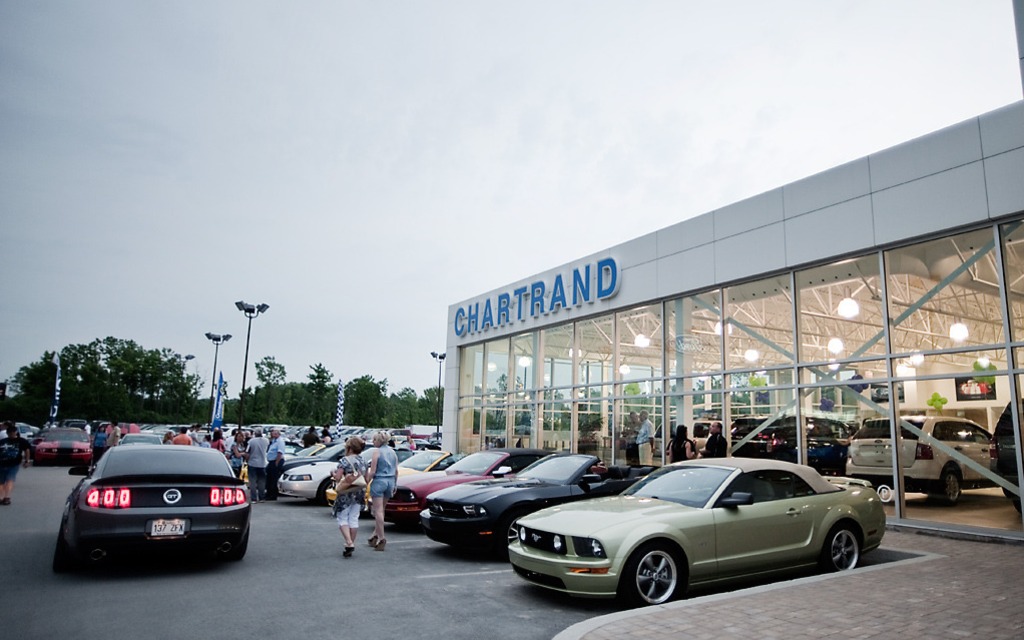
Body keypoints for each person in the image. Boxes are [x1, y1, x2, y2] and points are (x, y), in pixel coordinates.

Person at [330, 436, 367, 558]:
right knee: (354, 518)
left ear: (349, 448)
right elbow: (366, 478)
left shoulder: (344, 461)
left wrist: (333, 473)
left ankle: (349, 542)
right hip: (359, 491)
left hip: (346, 492)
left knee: (342, 518)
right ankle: (350, 542)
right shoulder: (363, 461)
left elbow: (338, 478)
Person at [366, 430, 398, 551]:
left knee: (377, 511)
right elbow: (396, 471)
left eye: (374, 440)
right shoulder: (393, 452)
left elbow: (373, 471)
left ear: (379, 441)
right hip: (390, 481)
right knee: (382, 510)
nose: (373, 442)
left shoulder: (377, 452)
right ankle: (374, 535)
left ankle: (381, 538)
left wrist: (366, 482)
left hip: (379, 481)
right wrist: (395, 484)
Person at [0, 422, 31, 505]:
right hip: (2, 463)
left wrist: (27, 461)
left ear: (16, 432)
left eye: (13, 432)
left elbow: (27, 450)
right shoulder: (3, 441)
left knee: (10, 480)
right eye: (10, 433)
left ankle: (7, 497)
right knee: (1, 482)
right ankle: (1, 497)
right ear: (7, 433)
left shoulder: (21, 441)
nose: (11, 434)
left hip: (14, 463)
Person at [245, 428, 270, 502]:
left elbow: (247, 452)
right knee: (261, 481)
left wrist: (247, 460)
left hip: (252, 463)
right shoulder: (266, 441)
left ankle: (254, 498)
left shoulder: (251, 441)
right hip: (263, 464)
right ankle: (261, 497)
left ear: (254, 433)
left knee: (252, 482)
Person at [264, 428, 287, 501]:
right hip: (271, 461)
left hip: (276, 461)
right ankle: (268, 493)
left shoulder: (280, 441)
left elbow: (280, 453)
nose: (272, 434)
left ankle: (273, 495)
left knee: (273, 478)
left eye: (273, 433)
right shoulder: (274, 441)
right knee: (269, 478)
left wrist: (277, 462)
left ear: (277, 434)